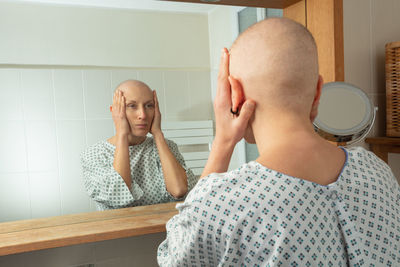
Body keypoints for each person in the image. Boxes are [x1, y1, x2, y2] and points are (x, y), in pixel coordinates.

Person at [157, 18, 400, 266]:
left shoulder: (224, 203)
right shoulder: (377, 172)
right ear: (318, 91)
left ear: (235, 97)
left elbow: (176, 258)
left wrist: (223, 142)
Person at [81, 80, 197, 210]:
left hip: (166, 228)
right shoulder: (95, 154)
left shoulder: (167, 147)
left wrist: (158, 134)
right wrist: (122, 134)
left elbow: (179, 190)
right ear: (115, 112)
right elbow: (117, 195)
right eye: (132, 106)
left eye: (149, 106)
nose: (142, 115)